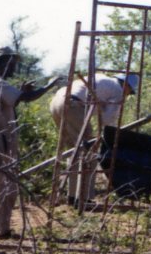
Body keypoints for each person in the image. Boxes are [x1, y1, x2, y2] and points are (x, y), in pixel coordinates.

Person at [0, 47, 60, 238]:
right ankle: (0, 229)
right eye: (11, 64)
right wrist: (49, 86)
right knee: (5, 186)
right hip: (2, 140)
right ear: (1, 63)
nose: (13, 69)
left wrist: (21, 92)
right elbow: (27, 98)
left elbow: (13, 101)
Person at [48, 72, 140, 205]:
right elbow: (108, 121)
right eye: (130, 91)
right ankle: (84, 198)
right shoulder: (118, 91)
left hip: (57, 102)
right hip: (74, 105)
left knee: (74, 151)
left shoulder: (102, 78)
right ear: (126, 85)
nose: (127, 94)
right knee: (90, 151)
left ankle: (72, 196)